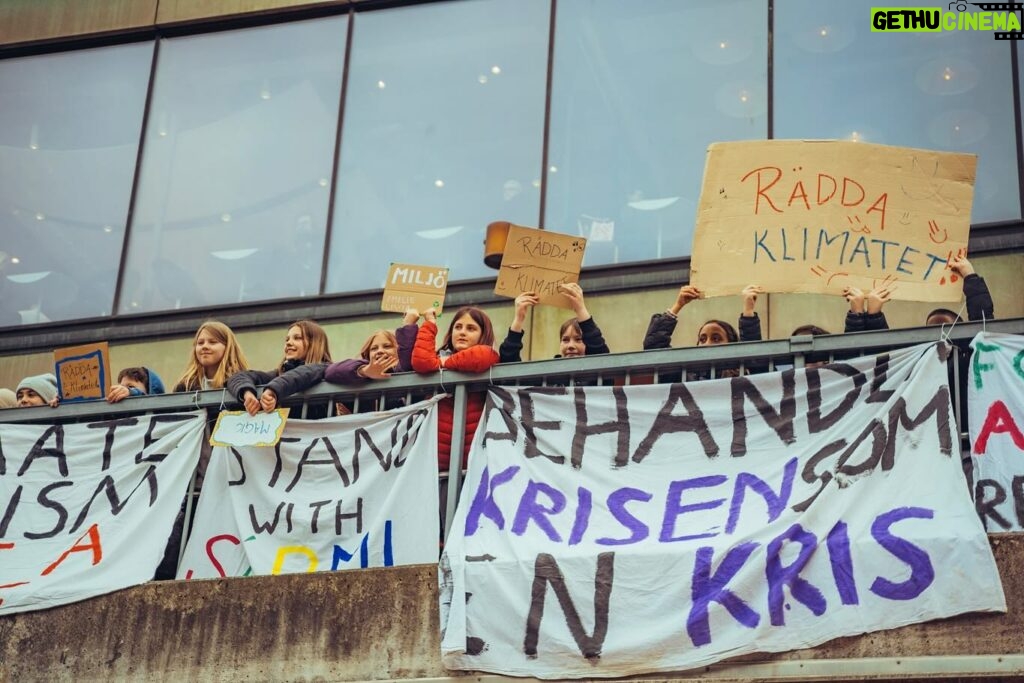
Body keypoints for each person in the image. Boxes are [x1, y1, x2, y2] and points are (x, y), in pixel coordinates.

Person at [411, 306, 499, 473]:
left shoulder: (488, 355)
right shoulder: (437, 357)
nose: (462, 332)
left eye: (471, 328)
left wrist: (442, 363)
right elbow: (421, 362)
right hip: (436, 465)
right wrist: (429, 323)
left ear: (483, 335)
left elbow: (482, 355)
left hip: (476, 463)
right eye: (457, 327)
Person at [227, 319, 333, 417]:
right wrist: (247, 392)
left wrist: (273, 390)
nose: (288, 343)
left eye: (297, 338)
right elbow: (238, 376)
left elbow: (304, 373)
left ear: (315, 343)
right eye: (287, 339)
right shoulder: (278, 375)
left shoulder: (326, 369)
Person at [323, 309, 419, 412]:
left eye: (387, 346)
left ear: (399, 350)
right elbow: (330, 372)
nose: (380, 351)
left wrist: (408, 325)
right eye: (374, 348)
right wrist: (363, 371)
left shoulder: (404, 369)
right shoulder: (362, 378)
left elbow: (407, 355)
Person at [498, 283, 610, 363]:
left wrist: (581, 309)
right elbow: (508, 362)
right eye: (565, 340)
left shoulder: (600, 373)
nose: (570, 346)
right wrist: (518, 319)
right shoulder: (548, 376)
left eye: (578, 339)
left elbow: (600, 352)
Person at [173, 321, 250, 392]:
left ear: (228, 348)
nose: (204, 346)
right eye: (200, 343)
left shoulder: (244, 384)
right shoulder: (184, 387)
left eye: (212, 342)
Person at [925, 256, 994, 325]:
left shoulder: (979, 334)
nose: (941, 334)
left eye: (946, 329)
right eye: (931, 330)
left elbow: (983, 322)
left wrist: (970, 276)